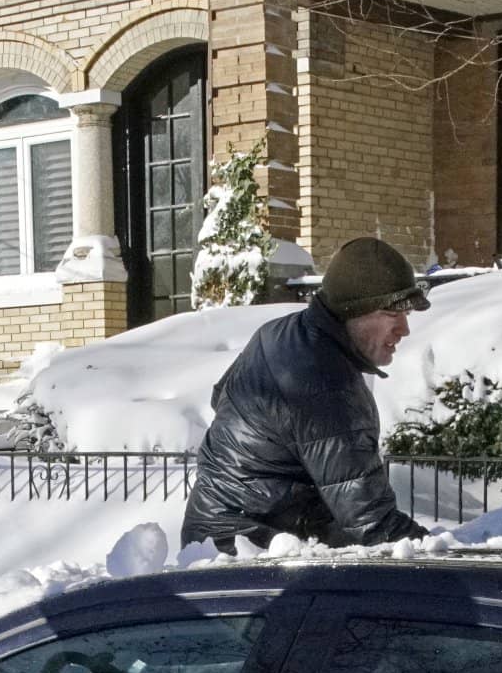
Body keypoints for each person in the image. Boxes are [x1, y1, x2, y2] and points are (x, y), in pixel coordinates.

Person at [180, 236, 430, 552]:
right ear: (355, 309)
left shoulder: (284, 333)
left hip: (217, 532)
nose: (405, 329)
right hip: (248, 553)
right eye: (393, 313)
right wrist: (446, 553)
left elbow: (223, 400)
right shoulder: (323, 381)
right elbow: (372, 523)